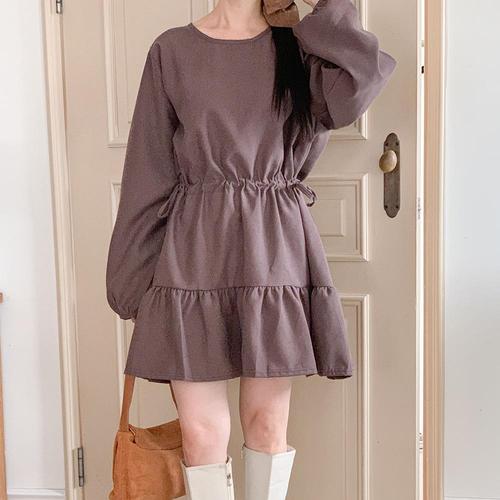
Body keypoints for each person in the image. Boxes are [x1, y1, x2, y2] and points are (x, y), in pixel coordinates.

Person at [105, 0, 396, 497]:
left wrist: (318, 7)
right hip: (193, 251)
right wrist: (131, 279)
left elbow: (359, 80)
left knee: (266, 424)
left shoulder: (300, 46)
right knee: (201, 433)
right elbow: (148, 170)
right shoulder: (171, 50)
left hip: (273, 247)